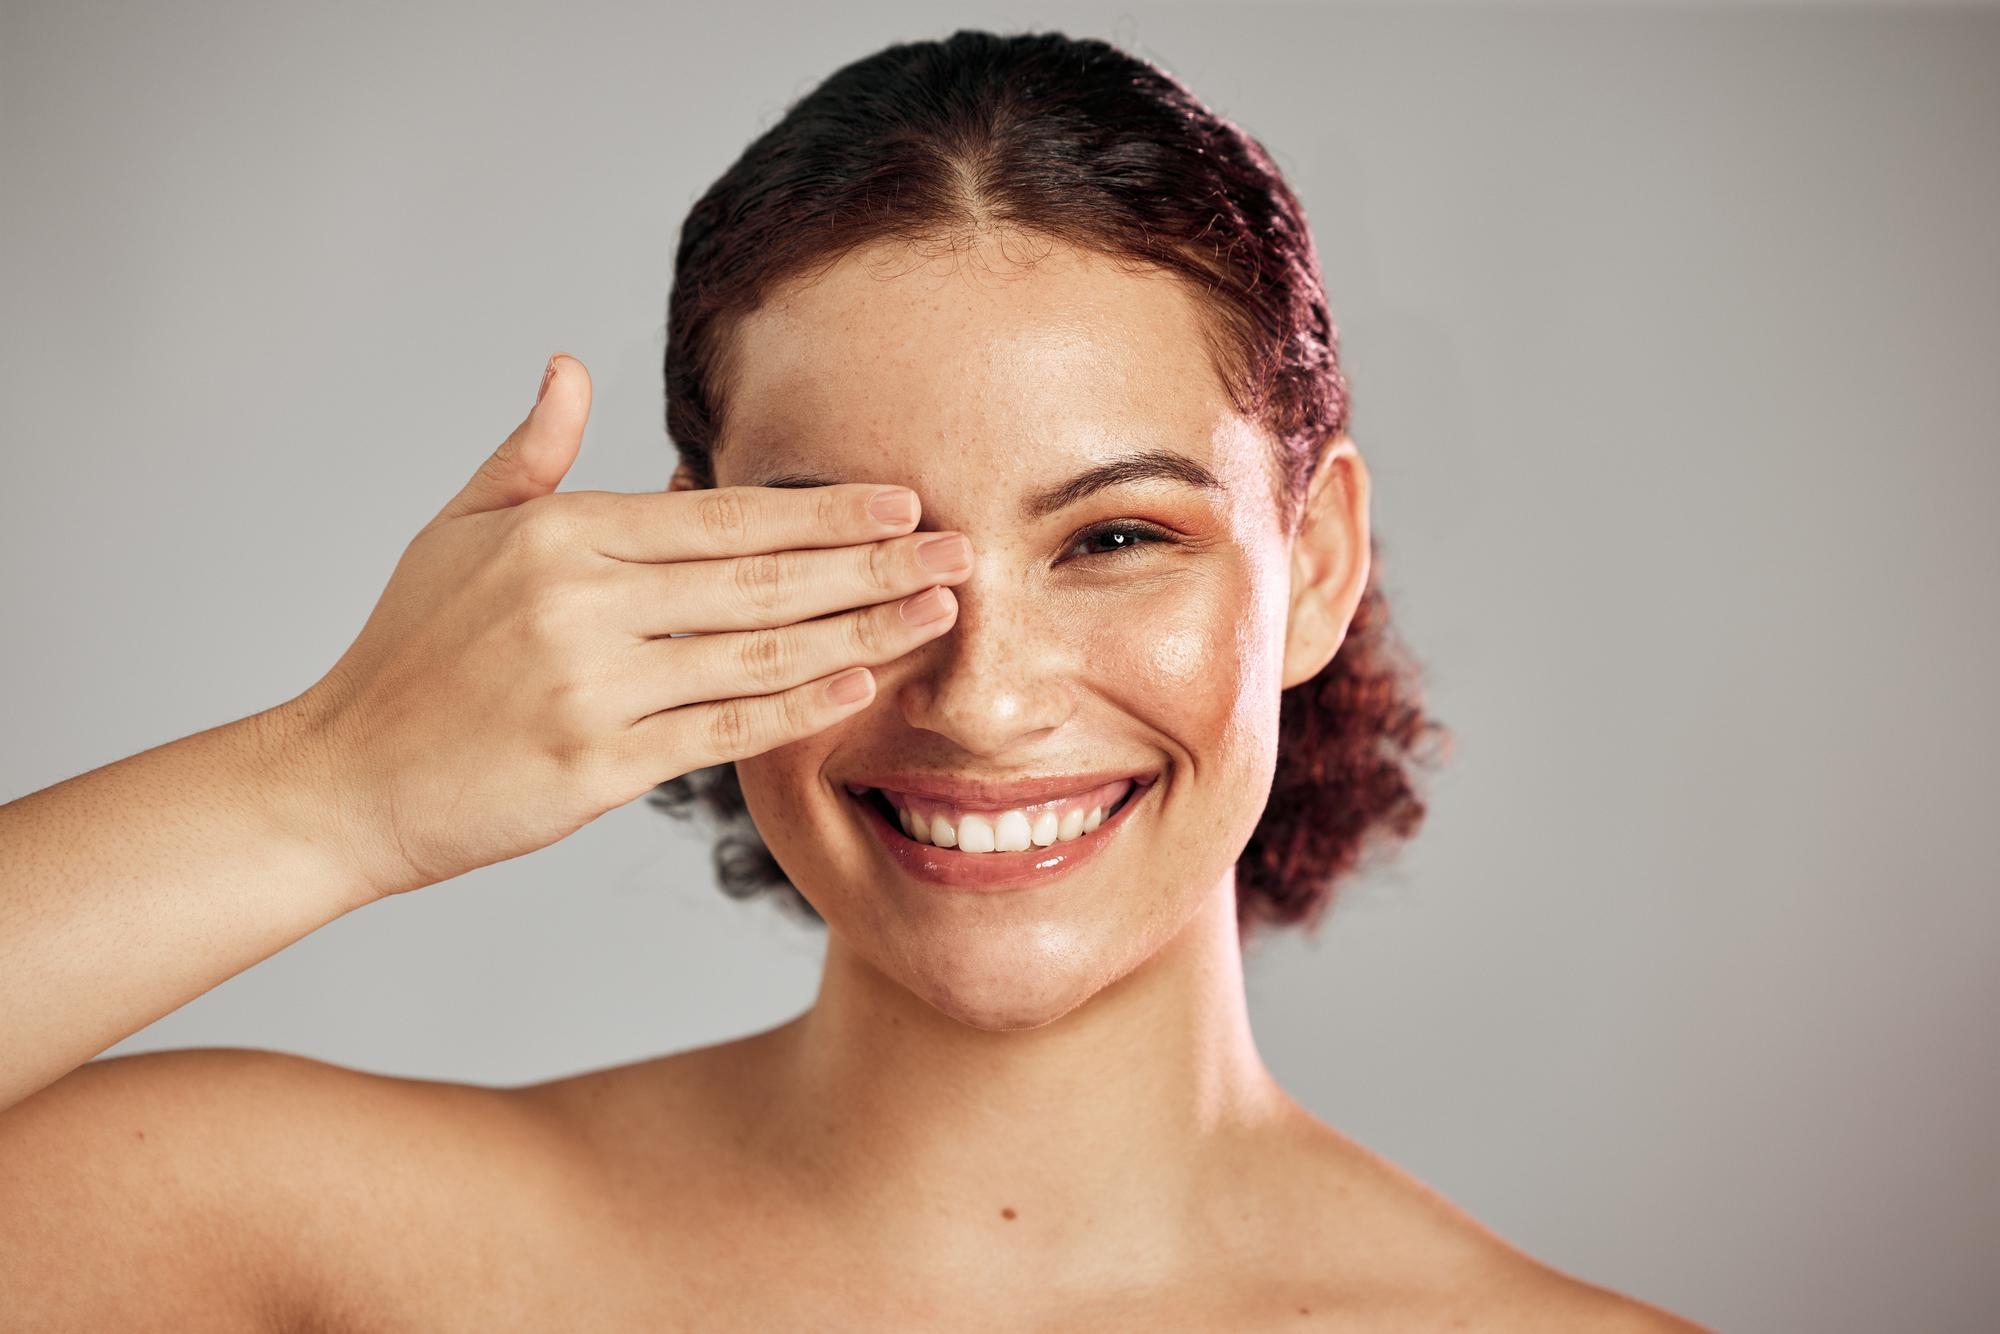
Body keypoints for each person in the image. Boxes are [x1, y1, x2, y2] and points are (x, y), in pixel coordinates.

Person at [0, 28, 1710, 1332]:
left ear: (1317, 561)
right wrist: (336, 785)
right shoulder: (344, 1251)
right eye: (850, 558)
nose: (981, 694)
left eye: (1116, 537)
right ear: (684, 575)